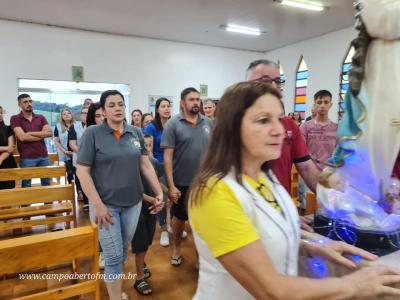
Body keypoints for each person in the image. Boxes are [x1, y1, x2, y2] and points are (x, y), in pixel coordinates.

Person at [189, 81, 400, 300]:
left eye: (279, 119)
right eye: (263, 120)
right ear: (231, 128)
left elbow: (261, 240)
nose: (279, 130)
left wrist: (312, 248)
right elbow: (271, 290)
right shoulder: (215, 193)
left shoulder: (265, 177)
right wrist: (352, 285)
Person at [77, 90, 163, 300]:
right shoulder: (93, 133)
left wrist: (159, 192)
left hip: (133, 204)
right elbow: (82, 171)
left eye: (120, 104)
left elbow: (145, 164)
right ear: (104, 110)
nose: (117, 108)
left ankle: (116, 288)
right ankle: (116, 296)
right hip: (106, 206)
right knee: (114, 256)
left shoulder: (135, 132)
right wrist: (96, 205)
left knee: (122, 252)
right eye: (112, 105)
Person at [246, 59, 320, 195]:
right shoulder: (236, 125)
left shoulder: (289, 125)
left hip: (281, 205)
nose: (274, 87)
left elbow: (306, 168)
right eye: (265, 80)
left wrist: (332, 198)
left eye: (278, 81)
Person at [162, 87, 213, 266]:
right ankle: (176, 249)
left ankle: (201, 255)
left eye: (198, 99)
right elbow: (167, 157)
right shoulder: (173, 124)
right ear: (183, 103)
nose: (196, 103)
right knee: (180, 218)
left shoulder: (208, 123)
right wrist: (171, 185)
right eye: (191, 99)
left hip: (204, 183)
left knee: (203, 221)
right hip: (181, 181)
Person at [131, 134, 165, 295]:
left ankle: (141, 263)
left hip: (152, 209)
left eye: (150, 145)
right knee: (140, 244)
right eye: (145, 145)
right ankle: (139, 278)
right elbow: (134, 190)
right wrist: (152, 199)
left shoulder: (155, 163)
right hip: (136, 208)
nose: (148, 149)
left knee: (147, 241)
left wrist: (169, 192)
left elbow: (158, 182)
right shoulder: (131, 165)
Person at [143, 97, 171, 246]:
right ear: (157, 109)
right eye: (163, 106)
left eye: (168, 106)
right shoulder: (151, 127)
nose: (166, 108)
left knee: (173, 195)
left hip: (174, 166)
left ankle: (171, 223)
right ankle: (164, 228)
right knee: (162, 197)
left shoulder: (173, 124)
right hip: (159, 166)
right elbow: (149, 151)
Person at [10, 94, 52, 187]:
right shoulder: (15, 118)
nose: (29, 104)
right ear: (19, 104)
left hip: (44, 156)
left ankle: (48, 202)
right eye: (25, 102)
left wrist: (29, 133)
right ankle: (26, 203)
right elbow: (22, 137)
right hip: (27, 158)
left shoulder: (40, 117)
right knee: (26, 186)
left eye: (30, 101)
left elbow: (49, 133)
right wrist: (41, 135)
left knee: (47, 185)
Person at [300, 90, 337, 171]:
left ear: (331, 105)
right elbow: (301, 151)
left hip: (329, 172)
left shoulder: (336, 128)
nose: (322, 105)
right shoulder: (305, 127)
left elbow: (338, 152)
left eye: (326, 102)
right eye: (319, 102)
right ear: (315, 104)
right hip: (309, 171)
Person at [69, 106, 88, 208]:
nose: (86, 115)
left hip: (95, 160)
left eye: (88, 113)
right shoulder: (74, 126)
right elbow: (72, 144)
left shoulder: (96, 125)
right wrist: (84, 153)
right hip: (80, 158)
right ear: (81, 115)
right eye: (84, 113)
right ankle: (86, 203)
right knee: (82, 180)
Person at [53, 108, 74, 184]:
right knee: (70, 173)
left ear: (71, 115)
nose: (66, 115)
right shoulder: (58, 126)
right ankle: (70, 190)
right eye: (64, 114)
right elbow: (56, 141)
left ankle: (79, 191)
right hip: (65, 154)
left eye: (68, 113)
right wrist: (64, 151)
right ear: (61, 117)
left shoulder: (78, 125)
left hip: (76, 153)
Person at [0, 105, 17, 189]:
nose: (0, 115)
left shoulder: (8, 129)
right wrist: (6, 148)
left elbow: (11, 148)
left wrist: (1, 158)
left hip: (7, 163)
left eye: (1, 112)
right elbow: (8, 148)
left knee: (9, 189)